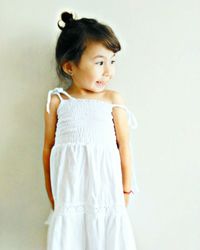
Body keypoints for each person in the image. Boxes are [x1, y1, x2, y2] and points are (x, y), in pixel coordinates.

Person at [42, 11, 139, 250]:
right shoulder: (58, 101)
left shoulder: (112, 99)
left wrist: (126, 190)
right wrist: (52, 195)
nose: (108, 71)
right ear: (69, 67)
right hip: (70, 195)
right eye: (99, 63)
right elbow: (48, 149)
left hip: (107, 195)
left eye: (112, 61)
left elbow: (124, 147)